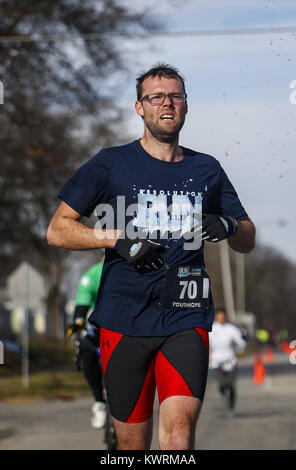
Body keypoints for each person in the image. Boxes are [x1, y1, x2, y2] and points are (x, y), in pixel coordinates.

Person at [47, 63, 255, 450]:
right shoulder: (111, 163)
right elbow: (57, 229)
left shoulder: (206, 169)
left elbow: (247, 237)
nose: (167, 103)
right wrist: (115, 239)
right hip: (123, 318)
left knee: (178, 437)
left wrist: (227, 226)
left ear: (186, 106)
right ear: (139, 108)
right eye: (156, 96)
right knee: (132, 447)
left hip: (186, 314)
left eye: (175, 96)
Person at [66, 253, 107, 429]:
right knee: (86, 349)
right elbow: (81, 306)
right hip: (99, 326)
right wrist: (79, 322)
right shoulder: (92, 275)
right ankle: (99, 401)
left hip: (126, 324)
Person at [209, 308, 247, 418]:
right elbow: (205, 342)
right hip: (216, 362)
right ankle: (222, 393)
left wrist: (244, 341)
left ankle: (231, 408)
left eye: (223, 316)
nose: (221, 318)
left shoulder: (231, 329)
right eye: (219, 316)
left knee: (231, 385)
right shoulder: (211, 328)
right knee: (222, 384)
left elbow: (241, 343)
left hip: (230, 361)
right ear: (216, 317)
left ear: (225, 317)